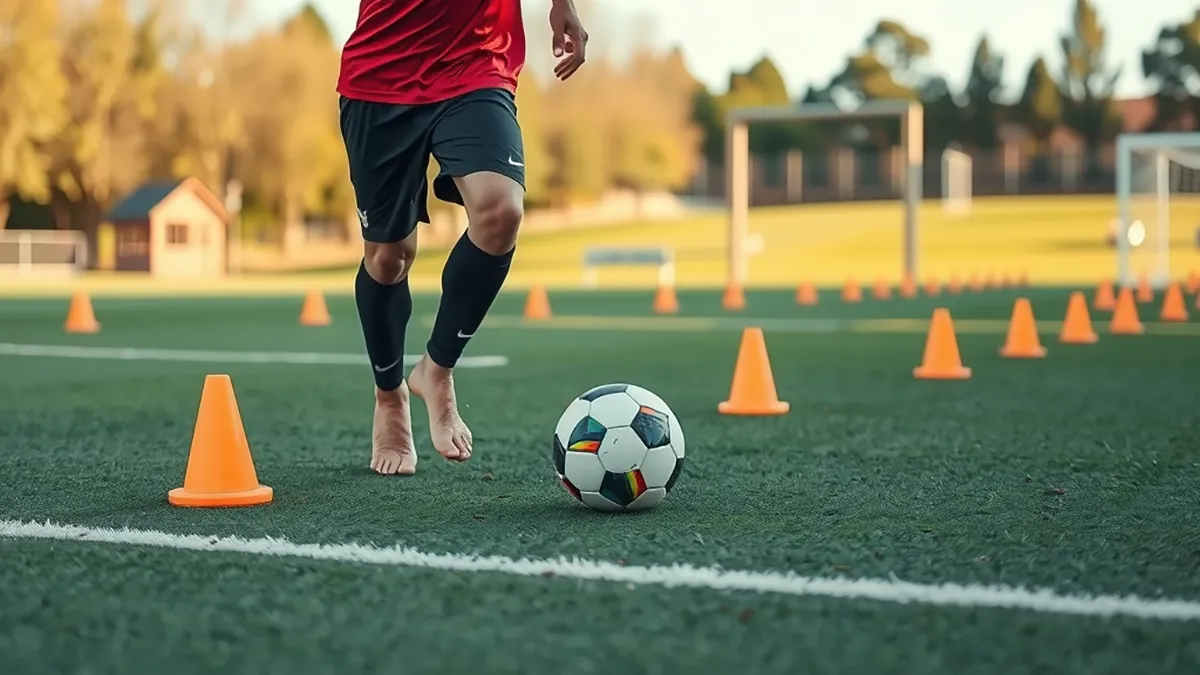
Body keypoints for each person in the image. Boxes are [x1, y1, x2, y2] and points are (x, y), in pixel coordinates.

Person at [336, 0, 588, 475]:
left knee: (501, 210)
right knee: (389, 257)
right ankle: (389, 395)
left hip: (477, 63)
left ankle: (437, 369)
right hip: (381, 74)